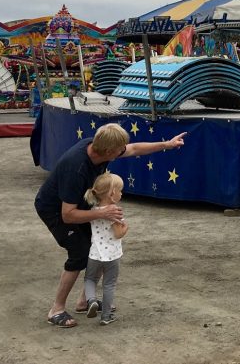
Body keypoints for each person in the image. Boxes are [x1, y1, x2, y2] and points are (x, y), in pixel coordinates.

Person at [34, 123, 186, 328]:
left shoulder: (98, 147)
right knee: (79, 252)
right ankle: (57, 309)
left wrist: (167, 144)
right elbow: (67, 215)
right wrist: (103, 212)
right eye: (119, 149)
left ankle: (84, 301)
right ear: (107, 151)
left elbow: (133, 149)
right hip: (56, 209)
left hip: (79, 204)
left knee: (100, 248)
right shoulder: (76, 168)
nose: (124, 149)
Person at [82, 173, 127, 326]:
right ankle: (106, 316)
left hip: (95, 253)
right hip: (112, 256)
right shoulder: (114, 212)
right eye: (120, 190)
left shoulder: (94, 210)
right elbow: (118, 233)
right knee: (109, 284)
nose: (122, 193)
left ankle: (91, 300)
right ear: (112, 194)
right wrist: (126, 228)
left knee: (89, 279)